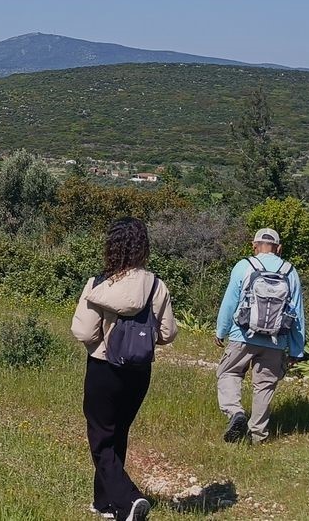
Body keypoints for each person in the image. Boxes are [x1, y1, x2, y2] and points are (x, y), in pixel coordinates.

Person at [71, 217, 176, 521]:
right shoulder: (157, 285)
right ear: (144, 247)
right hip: (139, 370)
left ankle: (129, 500)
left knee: (100, 438)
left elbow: (85, 332)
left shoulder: (98, 284)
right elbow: (167, 333)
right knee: (117, 433)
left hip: (104, 367)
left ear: (112, 245)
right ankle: (106, 503)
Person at [214, 227, 306, 445]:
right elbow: (298, 313)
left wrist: (221, 330)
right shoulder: (290, 271)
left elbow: (230, 302)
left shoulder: (244, 266)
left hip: (242, 334)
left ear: (254, 246)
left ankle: (236, 413)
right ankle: (258, 436)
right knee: (264, 386)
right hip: (276, 339)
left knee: (229, 373)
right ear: (279, 248)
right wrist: (296, 349)